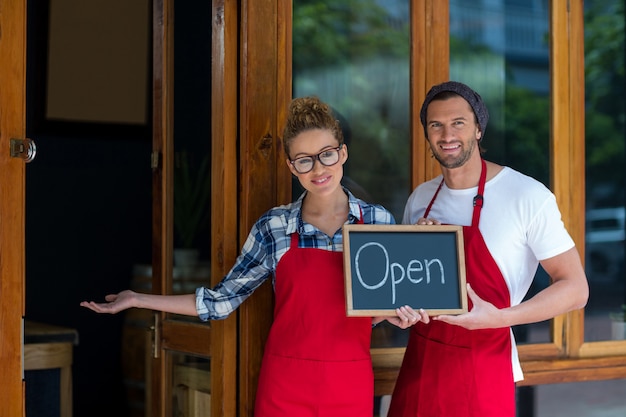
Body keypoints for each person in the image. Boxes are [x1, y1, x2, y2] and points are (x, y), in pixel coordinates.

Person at [81, 96, 421, 417]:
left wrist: (394, 315)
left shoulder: (376, 222)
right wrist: (138, 299)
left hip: (348, 383)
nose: (318, 168)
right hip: (286, 386)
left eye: (327, 154)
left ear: (343, 153)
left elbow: (372, 307)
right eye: (304, 159)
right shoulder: (274, 227)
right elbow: (221, 302)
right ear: (291, 166)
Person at [386, 81, 589, 417]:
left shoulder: (527, 196)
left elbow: (575, 289)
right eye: (436, 125)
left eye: (458, 123)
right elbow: (409, 288)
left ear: (479, 129)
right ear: (427, 135)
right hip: (420, 366)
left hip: (483, 368)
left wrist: (500, 318)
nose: (447, 135)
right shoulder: (421, 199)